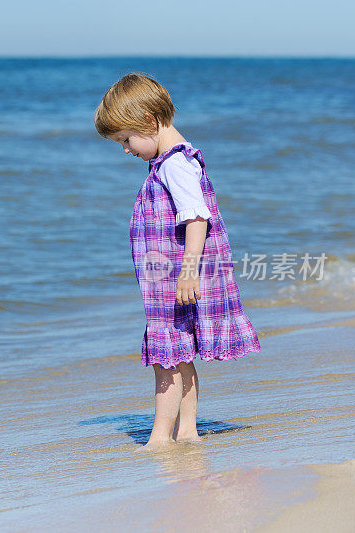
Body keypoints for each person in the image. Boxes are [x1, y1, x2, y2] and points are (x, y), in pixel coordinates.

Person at [94, 73, 261, 450]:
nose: (125, 149)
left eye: (125, 139)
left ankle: (159, 439)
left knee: (166, 357)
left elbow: (196, 218)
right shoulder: (174, 161)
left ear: (149, 122)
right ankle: (187, 432)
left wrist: (187, 272)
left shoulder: (174, 164)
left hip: (177, 276)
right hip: (171, 275)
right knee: (179, 352)